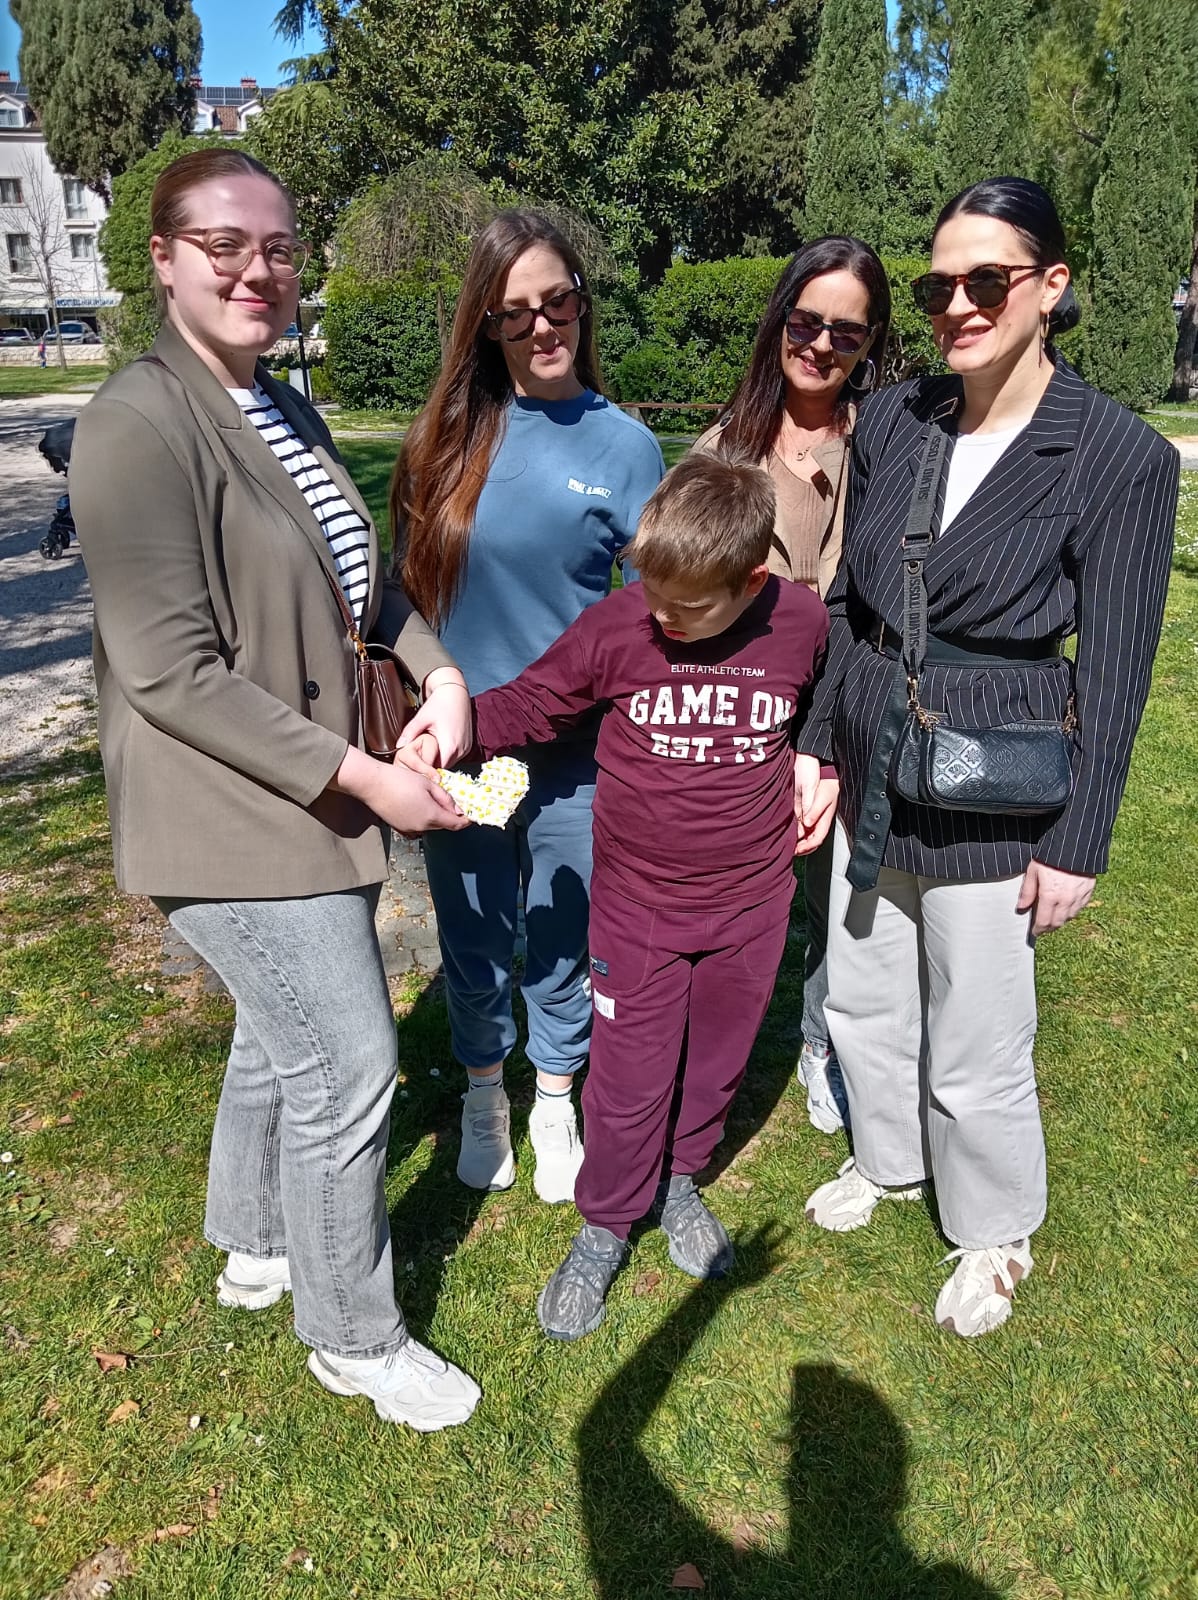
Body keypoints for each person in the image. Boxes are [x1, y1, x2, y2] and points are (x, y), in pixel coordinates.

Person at [69, 147, 482, 1430]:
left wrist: (440, 674)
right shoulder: (136, 422)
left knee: (280, 1027)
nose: (260, 270)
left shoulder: (279, 406)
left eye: (281, 248)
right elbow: (169, 672)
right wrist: (365, 777)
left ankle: (254, 1238)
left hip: (310, 787)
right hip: (226, 810)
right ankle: (352, 1335)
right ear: (162, 259)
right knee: (348, 1063)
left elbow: (365, 587)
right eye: (225, 245)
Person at [796, 177, 1178, 1336]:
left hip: (993, 777)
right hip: (870, 750)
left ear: (1049, 287)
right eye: (937, 286)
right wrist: (817, 745)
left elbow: (1116, 667)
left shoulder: (1114, 455)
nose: (958, 305)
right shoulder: (896, 417)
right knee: (864, 989)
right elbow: (848, 604)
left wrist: (1079, 840)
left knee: (975, 1032)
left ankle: (995, 1226)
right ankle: (886, 1158)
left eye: (987, 280)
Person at [465, 453, 833, 1339]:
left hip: (751, 905)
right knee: (629, 1078)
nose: (661, 617)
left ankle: (679, 1182)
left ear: (752, 582)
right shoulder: (620, 625)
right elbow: (534, 703)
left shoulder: (801, 620)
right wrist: (451, 729)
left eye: (686, 607)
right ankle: (605, 1224)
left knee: (714, 1063)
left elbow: (831, 694)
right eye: (652, 594)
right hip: (639, 909)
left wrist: (822, 757)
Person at [394, 210, 664, 1205]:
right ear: (487, 325)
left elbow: (654, 615)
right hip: (462, 750)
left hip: (573, 755)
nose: (542, 326)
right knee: (472, 935)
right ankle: (482, 1093)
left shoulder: (627, 447)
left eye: (558, 302)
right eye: (516, 313)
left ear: (582, 305)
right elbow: (401, 602)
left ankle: (554, 1094)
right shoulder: (443, 441)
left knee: (562, 932)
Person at [693, 237, 890, 1137]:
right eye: (806, 322)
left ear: (870, 341)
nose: (820, 345)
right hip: (745, 708)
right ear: (779, 319)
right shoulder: (724, 448)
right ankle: (702, 1052)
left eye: (846, 332)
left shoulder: (888, 443)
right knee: (736, 891)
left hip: (850, 700)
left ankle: (821, 1041)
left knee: (838, 896)